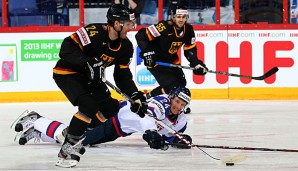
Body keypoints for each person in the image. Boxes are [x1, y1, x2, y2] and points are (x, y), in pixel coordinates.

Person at [51, 4, 147, 167]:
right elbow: (66, 48)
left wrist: (135, 95)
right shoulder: (93, 32)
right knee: (89, 105)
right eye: (129, 24)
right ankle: (67, 150)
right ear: (117, 24)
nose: (131, 28)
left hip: (92, 78)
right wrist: (87, 62)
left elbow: (122, 76)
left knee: (110, 108)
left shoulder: (126, 47)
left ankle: (74, 133)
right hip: (67, 73)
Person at [13, 86, 193, 152]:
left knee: (80, 141)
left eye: (182, 105)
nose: (178, 106)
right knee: (74, 139)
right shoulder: (161, 102)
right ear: (171, 97)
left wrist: (179, 141)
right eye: (177, 101)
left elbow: (170, 136)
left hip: (117, 130)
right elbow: (146, 118)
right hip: (112, 116)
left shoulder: (181, 120)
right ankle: (37, 120)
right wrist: (151, 132)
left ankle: (38, 131)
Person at [135, 2, 208, 114]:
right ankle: (148, 99)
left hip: (172, 59)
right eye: (178, 17)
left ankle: (154, 98)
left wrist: (196, 63)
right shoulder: (164, 27)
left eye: (183, 17)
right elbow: (141, 35)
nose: (181, 19)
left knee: (181, 84)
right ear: (173, 16)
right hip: (156, 60)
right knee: (172, 86)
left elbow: (190, 50)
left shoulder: (188, 30)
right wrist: (147, 52)